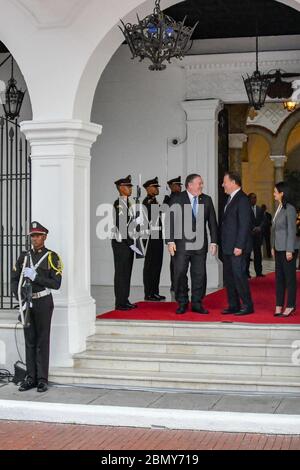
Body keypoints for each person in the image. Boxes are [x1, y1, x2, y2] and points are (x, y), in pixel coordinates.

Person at [11, 221, 63, 392]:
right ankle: (30, 377)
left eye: (38, 235)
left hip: (43, 302)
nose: (35, 238)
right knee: (29, 340)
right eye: (32, 235)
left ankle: (42, 379)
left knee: (42, 340)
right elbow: (14, 279)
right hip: (27, 302)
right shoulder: (24, 257)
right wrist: (19, 298)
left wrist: (36, 277)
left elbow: (56, 284)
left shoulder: (51, 257)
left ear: (45, 237)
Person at [167, 173, 218, 314]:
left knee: (199, 275)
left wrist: (214, 241)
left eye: (202, 183)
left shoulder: (207, 200)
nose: (202, 185)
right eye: (199, 183)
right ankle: (182, 302)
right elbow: (170, 221)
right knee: (180, 273)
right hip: (181, 245)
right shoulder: (177, 198)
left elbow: (213, 223)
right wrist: (170, 241)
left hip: (200, 246)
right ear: (189, 185)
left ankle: (197, 303)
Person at [221, 172, 254, 315]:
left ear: (234, 182)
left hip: (237, 248)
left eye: (225, 182)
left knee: (239, 276)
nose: (223, 185)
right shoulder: (229, 199)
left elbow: (244, 225)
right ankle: (233, 304)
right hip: (228, 247)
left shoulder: (242, 199)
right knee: (229, 277)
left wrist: (239, 246)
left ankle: (247, 305)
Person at [272, 182, 299, 318]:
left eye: (276, 191)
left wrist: (289, 250)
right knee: (279, 279)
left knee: (289, 279)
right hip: (278, 249)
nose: (274, 194)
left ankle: (290, 306)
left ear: (282, 193)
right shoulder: (279, 208)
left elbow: (291, 231)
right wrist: (272, 246)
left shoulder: (290, 208)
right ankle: (278, 305)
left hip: (287, 249)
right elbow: (275, 230)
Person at [111, 175, 138, 311]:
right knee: (122, 272)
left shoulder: (127, 202)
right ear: (121, 188)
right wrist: (131, 243)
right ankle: (120, 302)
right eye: (128, 186)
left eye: (130, 186)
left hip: (127, 241)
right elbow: (122, 226)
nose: (130, 189)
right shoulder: (120, 203)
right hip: (122, 242)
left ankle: (124, 299)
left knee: (127, 272)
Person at [143, 177, 165, 301]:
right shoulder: (147, 202)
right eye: (155, 187)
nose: (157, 189)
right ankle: (149, 293)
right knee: (150, 266)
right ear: (148, 188)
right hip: (151, 237)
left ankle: (155, 291)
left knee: (157, 265)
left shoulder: (154, 201)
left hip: (157, 236)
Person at [163, 176, 182, 294]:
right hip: (175, 236)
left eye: (180, 185)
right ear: (171, 187)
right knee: (176, 261)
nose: (179, 187)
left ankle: (176, 284)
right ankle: (175, 285)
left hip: (178, 235)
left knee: (177, 261)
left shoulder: (174, 198)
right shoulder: (172, 198)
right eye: (177, 185)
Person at [246, 193, 265, 277]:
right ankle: (246, 273)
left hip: (258, 236)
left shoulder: (259, 209)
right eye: (253, 198)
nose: (254, 199)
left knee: (258, 255)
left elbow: (264, 220)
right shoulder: (245, 209)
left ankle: (259, 272)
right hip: (249, 235)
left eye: (255, 198)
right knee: (247, 255)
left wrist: (259, 228)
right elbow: (246, 220)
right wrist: (253, 228)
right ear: (249, 199)